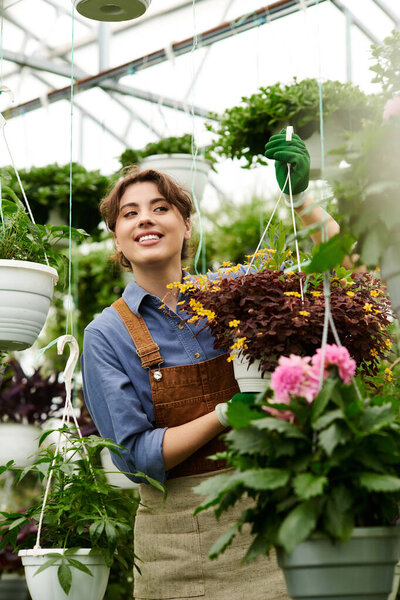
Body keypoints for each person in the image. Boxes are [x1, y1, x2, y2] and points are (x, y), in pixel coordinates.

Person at [81, 131, 341, 600]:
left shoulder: (236, 291)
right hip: (179, 544)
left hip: (268, 522)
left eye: (161, 207)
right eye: (130, 213)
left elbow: (330, 266)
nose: (146, 219)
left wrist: (301, 197)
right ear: (118, 239)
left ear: (185, 224)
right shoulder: (107, 334)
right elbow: (136, 457)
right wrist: (225, 414)